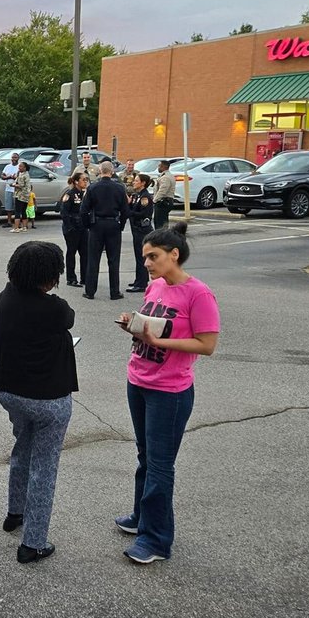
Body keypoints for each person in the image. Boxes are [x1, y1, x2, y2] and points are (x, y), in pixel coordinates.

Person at [116, 222, 220, 564]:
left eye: (153, 256)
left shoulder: (198, 293)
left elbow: (207, 345)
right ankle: (141, 518)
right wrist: (134, 323)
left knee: (160, 465)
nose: (147, 262)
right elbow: (151, 321)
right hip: (139, 380)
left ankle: (156, 540)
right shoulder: (156, 286)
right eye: (145, 256)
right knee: (145, 456)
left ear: (174, 255)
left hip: (170, 391)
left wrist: (159, 341)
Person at [0, 241, 78, 564]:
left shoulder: (5, 299)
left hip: (10, 391)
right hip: (48, 399)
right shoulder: (54, 308)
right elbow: (68, 316)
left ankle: (15, 512)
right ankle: (34, 542)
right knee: (45, 466)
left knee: (22, 449)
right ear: (50, 276)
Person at [79, 161, 131, 300]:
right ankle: (114, 292)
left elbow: (83, 210)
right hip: (113, 223)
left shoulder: (93, 188)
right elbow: (125, 211)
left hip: (97, 224)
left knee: (93, 259)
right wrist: (121, 225)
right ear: (112, 171)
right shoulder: (119, 188)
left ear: (99, 171)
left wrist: (88, 225)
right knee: (114, 260)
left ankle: (90, 291)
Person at [58, 172, 89, 287]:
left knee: (85, 253)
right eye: (83, 180)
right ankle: (71, 278)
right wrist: (69, 227)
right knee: (71, 252)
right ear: (76, 181)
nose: (85, 182)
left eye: (86, 180)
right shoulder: (70, 194)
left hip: (82, 228)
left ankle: (85, 278)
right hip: (72, 228)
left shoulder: (84, 194)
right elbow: (64, 212)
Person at [126, 173, 154, 292]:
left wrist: (129, 212)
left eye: (136, 180)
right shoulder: (138, 195)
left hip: (142, 230)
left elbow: (143, 214)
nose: (134, 182)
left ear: (143, 183)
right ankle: (139, 280)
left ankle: (142, 284)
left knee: (141, 257)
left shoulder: (145, 197)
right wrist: (129, 204)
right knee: (138, 256)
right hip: (136, 230)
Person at [152, 160, 176, 228]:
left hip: (163, 202)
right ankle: (164, 236)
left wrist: (154, 200)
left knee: (159, 223)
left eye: (159, 166)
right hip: (166, 202)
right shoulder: (167, 175)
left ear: (164, 167)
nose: (158, 167)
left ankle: (161, 237)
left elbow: (162, 191)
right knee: (163, 221)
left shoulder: (165, 177)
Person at [12, 161, 32, 233]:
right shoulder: (26, 174)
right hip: (26, 195)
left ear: (25, 168)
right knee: (24, 211)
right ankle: (24, 227)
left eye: (20, 166)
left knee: (17, 211)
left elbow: (20, 185)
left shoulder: (22, 175)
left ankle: (16, 227)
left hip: (20, 195)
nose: (19, 168)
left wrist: (13, 185)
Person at [1, 153, 20, 229]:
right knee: (8, 206)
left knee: (17, 207)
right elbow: (2, 176)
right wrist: (9, 176)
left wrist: (15, 177)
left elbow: (21, 176)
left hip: (17, 189)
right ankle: (9, 221)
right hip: (8, 189)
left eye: (15, 157)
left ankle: (18, 222)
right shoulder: (7, 167)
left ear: (18, 158)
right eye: (12, 157)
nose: (13, 159)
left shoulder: (20, 167)